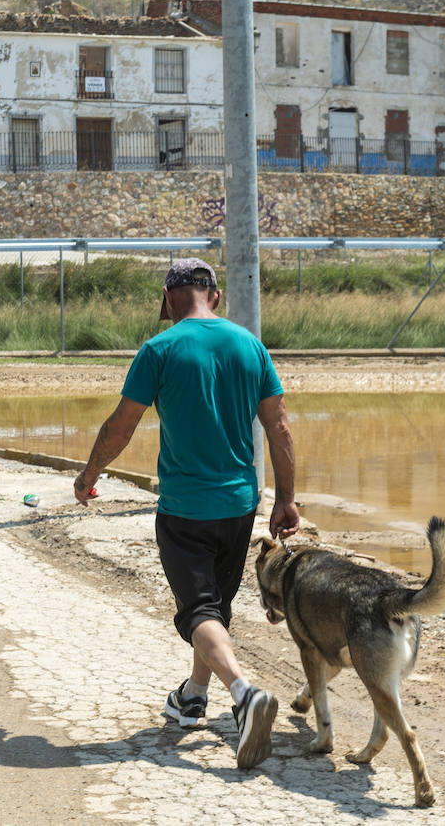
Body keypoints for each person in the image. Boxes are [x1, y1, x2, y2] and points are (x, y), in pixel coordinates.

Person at [74, 257, 301, 769]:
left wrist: (89, 475)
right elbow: (280, 427)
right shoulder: (250, 346)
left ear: (169, 299)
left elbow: (120, 426)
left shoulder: (159, 349)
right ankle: (193, 696)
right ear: (214, 297)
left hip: (184, 508)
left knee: (197, 610)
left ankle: (245, 695)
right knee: (215, 607)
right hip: (241, 505)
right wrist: (286, 498)